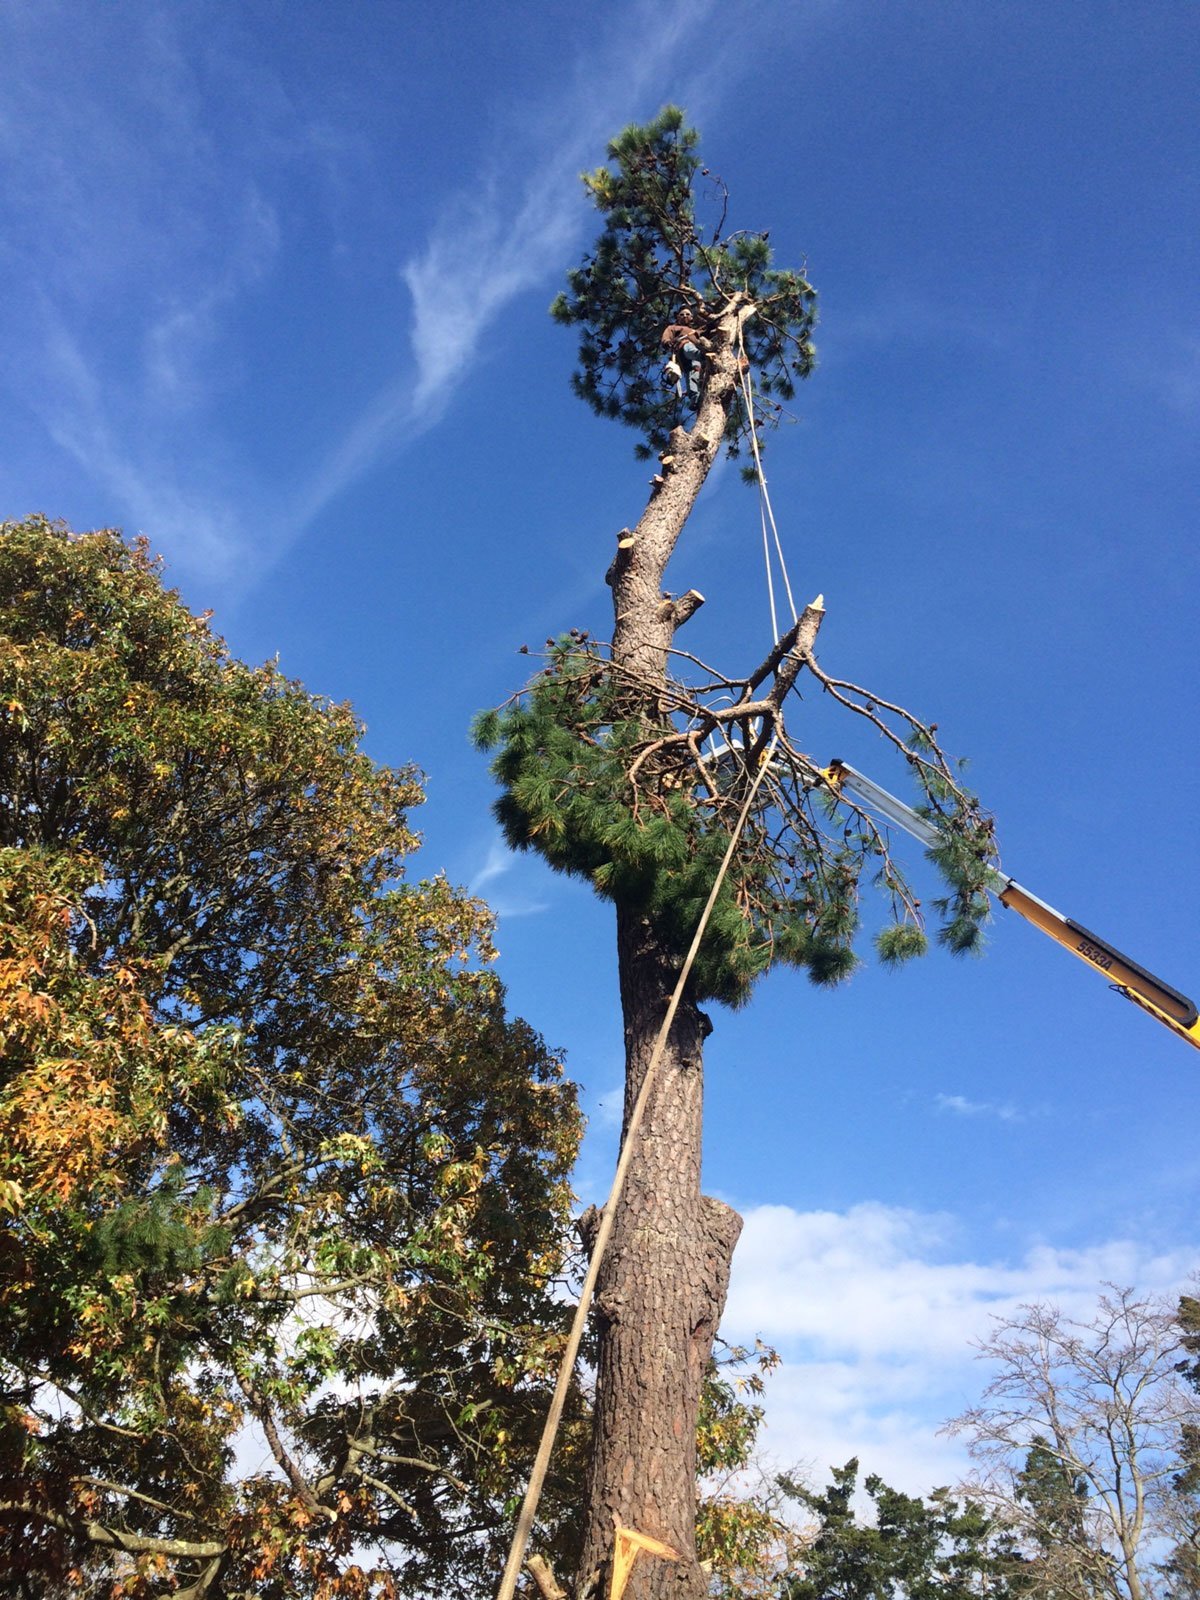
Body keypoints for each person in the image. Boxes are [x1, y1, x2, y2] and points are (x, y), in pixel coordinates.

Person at [660, 308, 704, 399]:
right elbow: (666, 338)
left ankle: (695, 397)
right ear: (677, 317)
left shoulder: (696, 331)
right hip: (682, 348)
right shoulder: (673, 328)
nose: (685, 316)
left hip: (693, 355)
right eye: (682, 314)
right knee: (689, 349)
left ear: (691, 317)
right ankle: (701, 355)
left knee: (694, 369)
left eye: (687, 314)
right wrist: (668, 342)